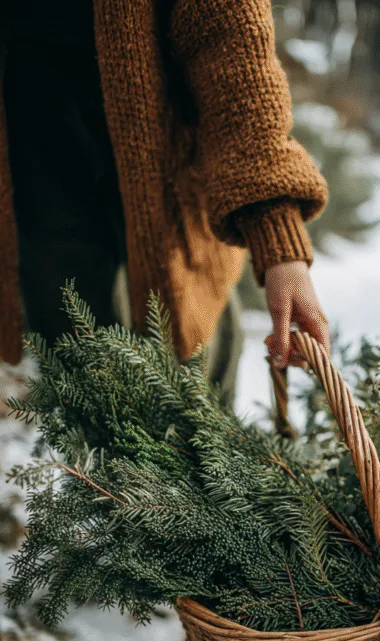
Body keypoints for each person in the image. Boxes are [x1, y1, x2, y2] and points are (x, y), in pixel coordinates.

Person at [0, 0, 330, 403]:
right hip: (36, 177)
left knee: (194, 396)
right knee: (87, 399)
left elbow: (232, 39)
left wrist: (277, 237)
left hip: (170, 191)